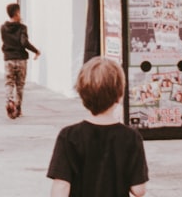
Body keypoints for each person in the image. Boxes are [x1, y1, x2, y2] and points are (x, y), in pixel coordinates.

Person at [47, 56, 148, 197]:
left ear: (82, 96)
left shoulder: (69, 136)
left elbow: (61, 186)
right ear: (120, 96)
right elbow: (139, 190)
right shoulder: (131, 137)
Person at [1, 2, 41, 119]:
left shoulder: (3, 28)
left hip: (9, 59)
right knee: (20, 85)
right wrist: (36, 51)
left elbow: (5, 41)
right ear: (17, 13)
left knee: (9, 82)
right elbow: (24, 42)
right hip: (21, 60)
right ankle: (18, 108)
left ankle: (9, 101)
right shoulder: (22, 28)